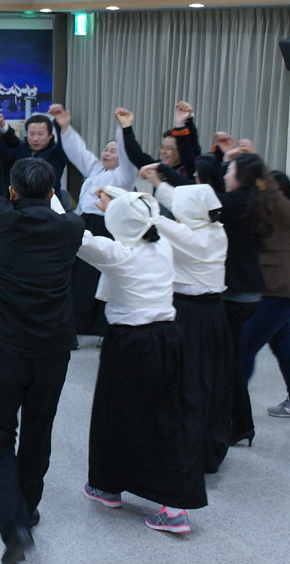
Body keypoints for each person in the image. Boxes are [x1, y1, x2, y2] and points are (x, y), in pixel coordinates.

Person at [0, 154, 83, 564]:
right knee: (38, 432)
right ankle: (27, 509)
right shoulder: (71, 228)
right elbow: (56, 210)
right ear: (52, 193)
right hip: (52, 353)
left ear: (11, 192)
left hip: (6, 350)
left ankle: (15, 528)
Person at [78, 187, 206, 535]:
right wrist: (120, 202)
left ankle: (169, 507)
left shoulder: (117, 253)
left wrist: (49, 198)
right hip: (169, 338)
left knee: (117, 415)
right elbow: (146, 212)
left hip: (131, 344)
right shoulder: (162, 245)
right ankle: (107, 484)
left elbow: (74, 235)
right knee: (163, 415)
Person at [144, 164, 233, 474]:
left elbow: (150, 217)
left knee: (188, 382)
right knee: (209, 380)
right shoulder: (215, 229)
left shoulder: (192, 238)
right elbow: (180, 202)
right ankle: (205, 442)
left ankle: (186, 447)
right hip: (213, 315)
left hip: (189, 315)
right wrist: (158, 183)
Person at [227, 155, 290, 419]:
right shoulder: (268, 216)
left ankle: (232, 412)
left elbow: (272, 196)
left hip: (277, 295)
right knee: (283, 349)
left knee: (245, 349)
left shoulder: (282, 215)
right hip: (280, 294)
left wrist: (257, 166)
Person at [55, 105, 137, 343]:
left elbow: (128, 157)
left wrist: (123, 129)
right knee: (78, 277)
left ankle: (104, 329)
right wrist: (65, 127)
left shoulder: (124, 176)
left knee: (103, 278)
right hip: (85, 224)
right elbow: (78, 152)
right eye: (106, 149)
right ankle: (76, 327)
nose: (107, 153)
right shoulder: (96, 169)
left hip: (108, 226)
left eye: (113, 151)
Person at [118, 102, 200, 184]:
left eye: (169, 148)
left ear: (181, 150)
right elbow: (137, 156)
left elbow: (192, 147)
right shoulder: (158, 167)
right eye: (162, 147)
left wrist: (187, 120)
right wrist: (126, 127)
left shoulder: (191, 171)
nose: (163, 152)